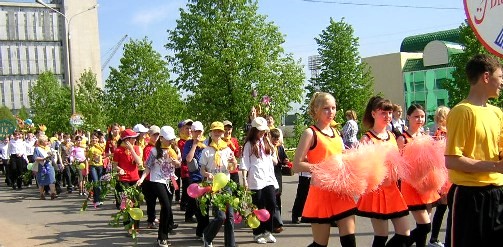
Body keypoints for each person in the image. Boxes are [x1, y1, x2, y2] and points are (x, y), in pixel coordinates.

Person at [444, 54, 503, 247]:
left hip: (497, 193)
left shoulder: (497, 112)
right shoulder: (462, 112)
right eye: (500, 77)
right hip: (470, 197)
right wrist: (496, 166)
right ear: (486, 77)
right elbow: (452, 160)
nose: (502, 82)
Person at [292, 92, 356, 247]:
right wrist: (322, 168)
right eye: (326, 108)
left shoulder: (336, 132)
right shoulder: (310, 133)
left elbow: (342, 157)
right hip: (321, 192)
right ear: (316, 109)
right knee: (320, 244)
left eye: (333, 108)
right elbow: (296, 165)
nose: (331, 112)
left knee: (349, 241)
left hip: (341, 191)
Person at [357, 96, 410, 247]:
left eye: (389, 113)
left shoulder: (392, 136)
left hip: (393, 190)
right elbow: (362, 169)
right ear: (373, 114)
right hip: (377, 192)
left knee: (404, 233)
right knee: (381, 236)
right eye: (383, 113)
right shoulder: (367, 139)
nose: (387, 116)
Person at [396, 104, 439, 247]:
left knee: (423, 227)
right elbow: (399, 165)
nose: (420, 119)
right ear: (408, 117)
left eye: (422, 116)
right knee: (425, 225)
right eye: (416, 116)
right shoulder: (403, 138)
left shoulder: (425, 136)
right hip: (410, 185)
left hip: (425, 184)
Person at [137, 126, 181, 247]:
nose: (170, 141)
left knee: (167, 209)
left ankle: (162, 236)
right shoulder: (154, 151)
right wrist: (141, 179)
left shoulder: (174, 150)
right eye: (167, 139)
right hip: (157, 180)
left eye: (171, 139)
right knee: (166, 206)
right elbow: (148, 167)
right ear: (161, 138)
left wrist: (176, 163)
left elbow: (178, 164)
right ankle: (162, 238)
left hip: (170, 180)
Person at [200, 121, 238, 247]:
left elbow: (232, 169)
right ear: (210, 133)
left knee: (230, 216)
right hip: (214, 186)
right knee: (220, 216)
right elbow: (202, 170)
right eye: (215, 131)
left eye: (219, 131)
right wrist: (207, 175)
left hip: (226, 184)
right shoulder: (207, 151)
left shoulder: (227, 149)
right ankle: (207, 235)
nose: (217, 133)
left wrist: (234, 162)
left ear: (222, 134)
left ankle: (230, 244)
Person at [241, 116, 279, 244]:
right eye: (260, 131)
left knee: (272, 204)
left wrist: (273, 152)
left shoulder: (266, 141)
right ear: (254, 130)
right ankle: (257, 233)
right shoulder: (248, 144)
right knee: (259, 207)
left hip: (268, 178)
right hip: (256, 179)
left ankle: (268, 231)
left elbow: (274, 160)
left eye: (264, 131)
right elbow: (245, 162)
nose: (262, 133)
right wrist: (244, 180)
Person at [182, 121, 209, 238]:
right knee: (199, 207)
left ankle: (202, 231)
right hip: (195, 179)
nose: (198, 133)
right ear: (191, 132)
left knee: (205, 206)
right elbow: (188, 159)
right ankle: (203, 231)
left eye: (200, 131)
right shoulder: (188, 144)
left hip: (207, 177)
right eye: (195, 131)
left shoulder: (207, 143)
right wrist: (194, 145)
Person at [113, 128, 143, 234]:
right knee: (126, 205)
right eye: (132, 138)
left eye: (135, 138)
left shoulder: (136, 148)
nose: (135, 140)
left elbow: (139, 163)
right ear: (126, 139)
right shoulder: (118, 151)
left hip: (135, 179)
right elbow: (114, 166)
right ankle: (129, 227)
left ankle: (136, 226)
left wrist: (132, 149)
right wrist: (119, 169)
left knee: (136, 204)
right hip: (123, 180)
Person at [428, 106, 450, 247]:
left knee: (442, 209)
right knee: (445, 208)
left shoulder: (434, 131)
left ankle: (434, 238)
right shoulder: (442, 132)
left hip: (440, 172)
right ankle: (436, 239)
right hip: (445, 173)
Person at [142, 125, 161, 229]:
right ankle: (150, 220)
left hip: (159, 178)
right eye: (154, 135)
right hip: (149, 179)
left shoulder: (161, 147)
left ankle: (157, 219)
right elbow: (148, 164)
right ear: (149, 135)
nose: (156, 137)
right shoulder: (148, 148)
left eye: (158, 134)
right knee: (151, 201)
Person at [270, 128, 286, 233]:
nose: (276, 140)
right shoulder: (268, 147)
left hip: (277, 173)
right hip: (269, 173)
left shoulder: (280, 147)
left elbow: (284, 158)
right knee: (272, 198)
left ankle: (277, 219)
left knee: (277, 196)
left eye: (277, 138)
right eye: (274, 138)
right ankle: (275, 222)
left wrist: (286, 161)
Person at [32, 135, 57, 200]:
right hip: (41, 166)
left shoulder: (48, 148)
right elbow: (35, 158)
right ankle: (41, 194)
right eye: (45, 141)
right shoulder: (37, 149)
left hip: (49, 165)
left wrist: (52, 155)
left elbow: (52, 156)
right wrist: (43, 158)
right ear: (41, 142)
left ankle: (53, 193)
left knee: (52, 179)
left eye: (47, 141)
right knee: (41, 180)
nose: (47, 142)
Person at [177, 119, 193, 213]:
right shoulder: (181, 142)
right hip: (185, 168)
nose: (189, 130)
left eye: (190, 128)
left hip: (193, 168)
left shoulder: (192, 140)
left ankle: (185, 204)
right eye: (187, 128)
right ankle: (184, 204)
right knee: (186, 187)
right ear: (182, 129)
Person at [87, 132, 105, 206]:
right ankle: (97, 199)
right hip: (92, 166)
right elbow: (86, 156)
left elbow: (104, 154)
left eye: (95, 138)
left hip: (100, 165)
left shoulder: (101, 145)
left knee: (99, 182)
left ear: (98, 139)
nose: (94, 139)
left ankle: (99, 198)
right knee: (95, 181)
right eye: (93, 138)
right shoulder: (89, 146)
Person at [222, 120, 241, 185]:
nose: (227, 131)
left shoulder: (234, 140)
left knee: (236, 189)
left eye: (229, 129)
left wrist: (241, 150)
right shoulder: (219, 140)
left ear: (231, 130)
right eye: (225, 129)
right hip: (223, 169)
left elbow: (237, 155)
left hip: (233, 169)